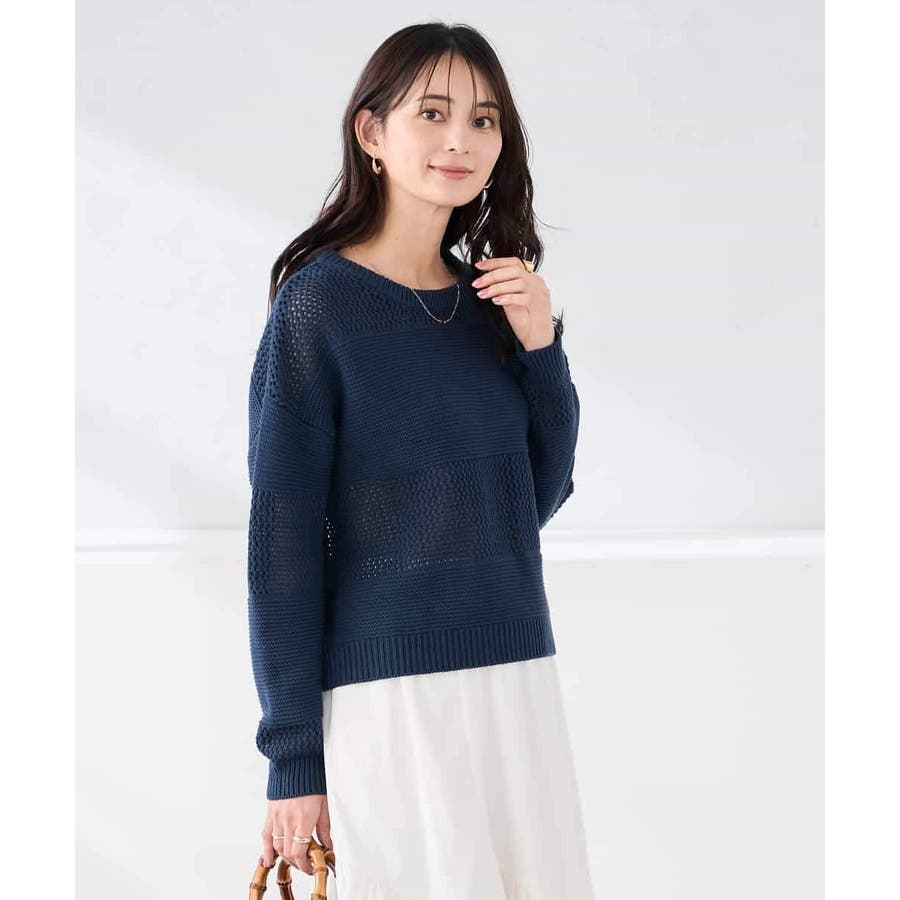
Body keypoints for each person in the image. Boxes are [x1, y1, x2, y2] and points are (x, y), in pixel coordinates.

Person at [247, 22, 594, 898]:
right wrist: (294, 760)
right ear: (371, 133)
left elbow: (532, 501)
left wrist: (541, 350)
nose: (459, 140)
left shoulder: (493, 304)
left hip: (518, 674)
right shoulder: (319, 308)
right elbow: (282, 546)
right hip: (392, 693)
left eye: (483, 119)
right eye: (432, 113)